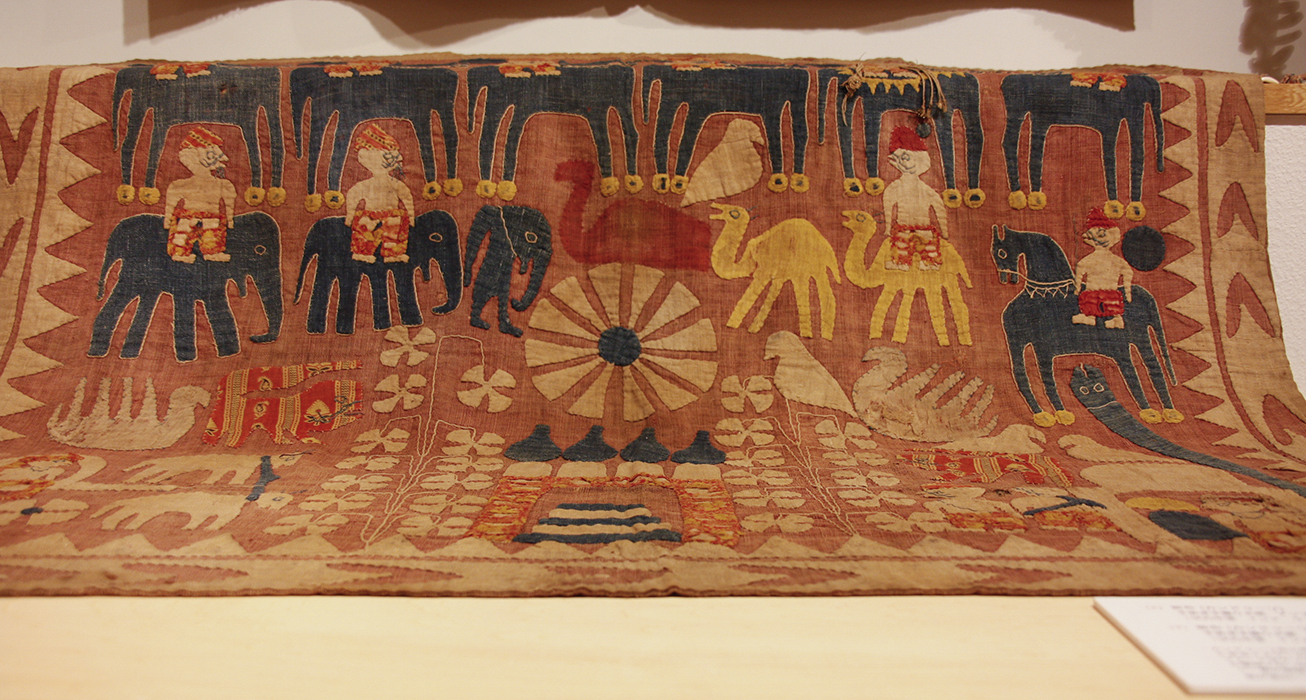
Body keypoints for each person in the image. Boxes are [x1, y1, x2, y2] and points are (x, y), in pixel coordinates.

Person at [162, 126, 236, 263]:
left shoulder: (222, 184)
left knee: (207, 231)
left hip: (206, 216)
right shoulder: (183, 184)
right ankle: (182, 252)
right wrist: (167, 220)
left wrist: (230, 221)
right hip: (193, 215)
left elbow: (229, 203)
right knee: (185, 232)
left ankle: (210, 252)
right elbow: (170, 203)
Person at [881, 126, 948, 271]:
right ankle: (906, 263)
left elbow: (938, 207)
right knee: (905, 245)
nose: (904, 163)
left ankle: (924, 263)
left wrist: (945, 230)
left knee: (921, 244)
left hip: (916, 226)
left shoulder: (913, 188)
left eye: (905, 158)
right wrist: (887, 227)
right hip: (907, 226)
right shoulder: (899, 187)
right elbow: (888, 204)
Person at [346, 123, 414, 264]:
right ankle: (363, 252)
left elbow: (406, 196)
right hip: (371, 213)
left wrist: (411, 216)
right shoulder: (372, 184)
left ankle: (392, 253)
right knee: (365, 229)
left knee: (393, 231)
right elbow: (353, 195)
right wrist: (350, 216)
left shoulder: (393, 184)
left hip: (391, 213)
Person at [1072, 208, 1132, 329]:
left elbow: (1080, 272)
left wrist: (1077, 288)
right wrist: (1127, 292)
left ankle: (1091, 317)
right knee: (1111, 304)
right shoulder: (1117, 261)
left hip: (1094, 291)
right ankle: (1115, 319)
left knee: (1091, 302)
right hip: (1109, 291)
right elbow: (1127, 272)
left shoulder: (1088, 260)